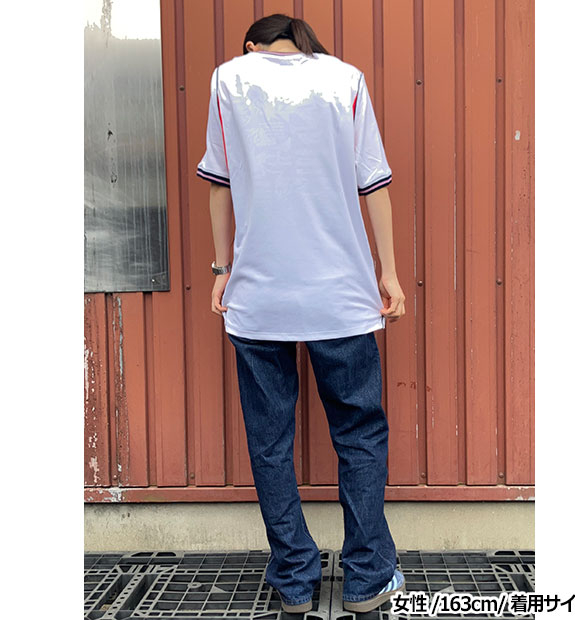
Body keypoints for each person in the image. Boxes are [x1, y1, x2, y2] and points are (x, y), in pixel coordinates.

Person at [197, 13, 406, 614]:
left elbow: (220, 183)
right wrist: (388, 273)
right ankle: (368, 579)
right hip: (339, 296)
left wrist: (222, 269)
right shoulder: (346, 80)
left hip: (260, 296)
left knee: (269, 439)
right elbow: (374, 183)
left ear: (251, 45)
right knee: (359, 432)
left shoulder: (228, 79)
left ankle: (293, 580)